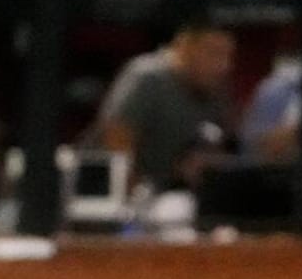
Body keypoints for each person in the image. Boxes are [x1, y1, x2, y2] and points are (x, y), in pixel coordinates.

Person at [94, 19, 235, 195]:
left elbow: (219, 143)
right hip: (110, 195)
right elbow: (117, 141)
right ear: (184, 47)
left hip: (174, 197)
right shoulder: (147, 77)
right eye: (214, 53)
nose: (224, 65)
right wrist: (136, 204)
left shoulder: (216, 88)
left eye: (227, 55)